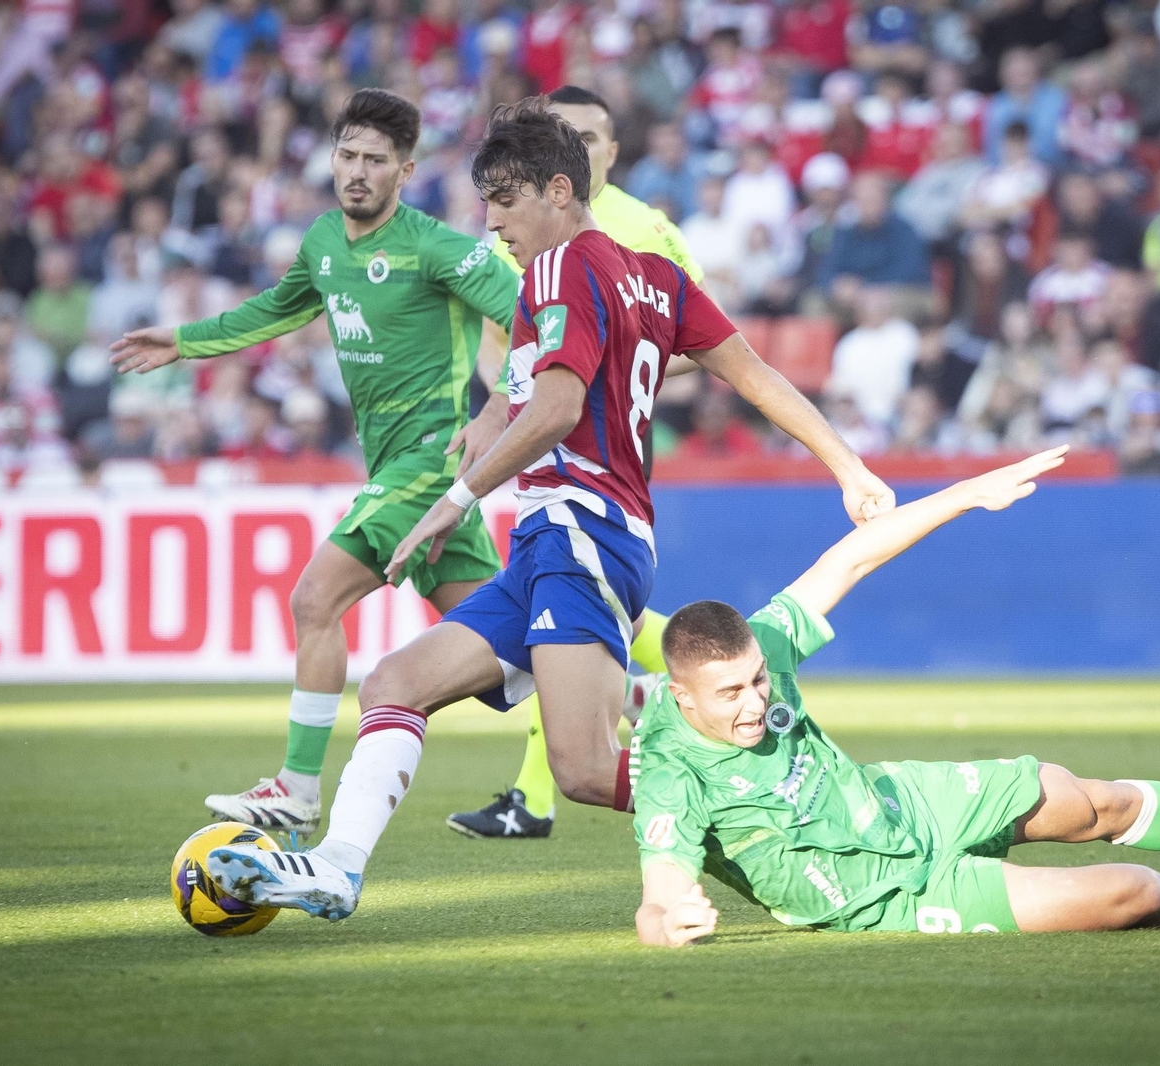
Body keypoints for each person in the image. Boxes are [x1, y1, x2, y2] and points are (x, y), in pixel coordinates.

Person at [204, 98, 894, 920]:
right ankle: (337, 868)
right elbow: (742, 376)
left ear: (558, 190)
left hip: (583, 532)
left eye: (504, 200)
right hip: (557, 542)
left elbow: (560, 407)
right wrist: (847, 465)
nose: (491, 223)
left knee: (584, 771)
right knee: (393, 682)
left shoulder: (561, 269)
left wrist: (455, 497)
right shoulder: (654, 276)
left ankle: (789, 803)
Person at [629, 448, 1160, 946]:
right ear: (683, 699)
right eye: (731, 693)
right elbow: (658, 893)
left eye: (760, 678)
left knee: (1085, 801)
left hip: (901, 803)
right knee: (1133, 896)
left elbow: (852, 558)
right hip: (875, 895)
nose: (756, 700)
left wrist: (965, 494)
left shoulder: (764, 642)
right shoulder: (668, 765)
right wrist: (674, 922)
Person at [109, 89, 524, 838]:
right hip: (393, 466)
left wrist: (501, 409)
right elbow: (271, 310)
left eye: (375, 159)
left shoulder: (437, 246)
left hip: (428, 464)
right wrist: (185, 339)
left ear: (406, 169)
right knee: (511, 644)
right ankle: (638, 701)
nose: (358, 171)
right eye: (348, 155)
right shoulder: (326, 242)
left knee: (314, 600)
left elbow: (531, 312)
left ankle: (298, 788)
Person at [450, 84, 710, 841]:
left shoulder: (643, 230)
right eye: (573, 135)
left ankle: (719, 678)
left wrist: (607, 367)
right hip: (547, 463)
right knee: (565, 636)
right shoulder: (530, 227)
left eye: (597, 137)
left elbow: (695, 341)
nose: (586, 148)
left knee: (570, 637)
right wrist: (503, 403)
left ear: (612, 152)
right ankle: (666, 699)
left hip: (596, 475)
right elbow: (526, 344)